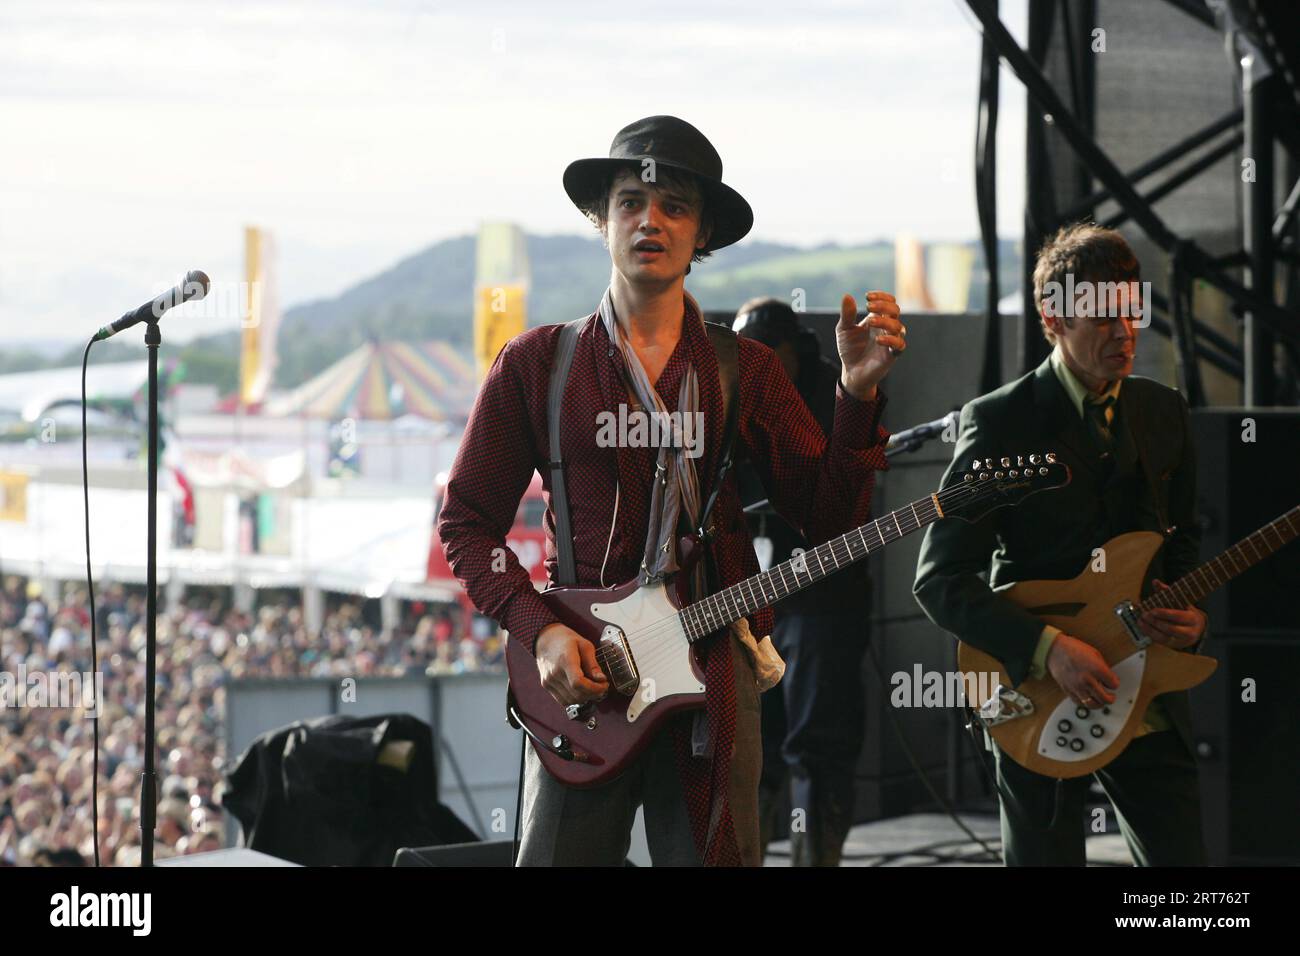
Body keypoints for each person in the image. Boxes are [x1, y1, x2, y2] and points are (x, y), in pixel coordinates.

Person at [436, 115, 906, 866]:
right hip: (583, 679)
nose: (649, 219)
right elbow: (465, 523)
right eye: (630, 201)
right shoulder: (535, 363)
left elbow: (827, 517)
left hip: (714, 677)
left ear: (703, 233)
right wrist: (541, 629)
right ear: (601, 219)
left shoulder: (744, 369)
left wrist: (854, 397)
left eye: (675, 206)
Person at [913, 222, 1208, 866]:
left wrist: (1191, 617)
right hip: (1036, 696)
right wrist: (1048, 650)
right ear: (1052, 318)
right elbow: (940, 579)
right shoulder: (998, 420)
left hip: (1150, 686)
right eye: (1102, 317)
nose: (1124, 332)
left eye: (1131, 310)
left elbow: (1181, 542)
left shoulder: (1163, 411)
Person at [732, 297, 873, 866]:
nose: (757, 369)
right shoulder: (735, 394)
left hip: (821, 596)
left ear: (792, 351)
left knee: (816, 743)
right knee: (752, 744)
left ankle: (816, 859)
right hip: (757, 593)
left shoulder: (831, 391)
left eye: (767, 358)